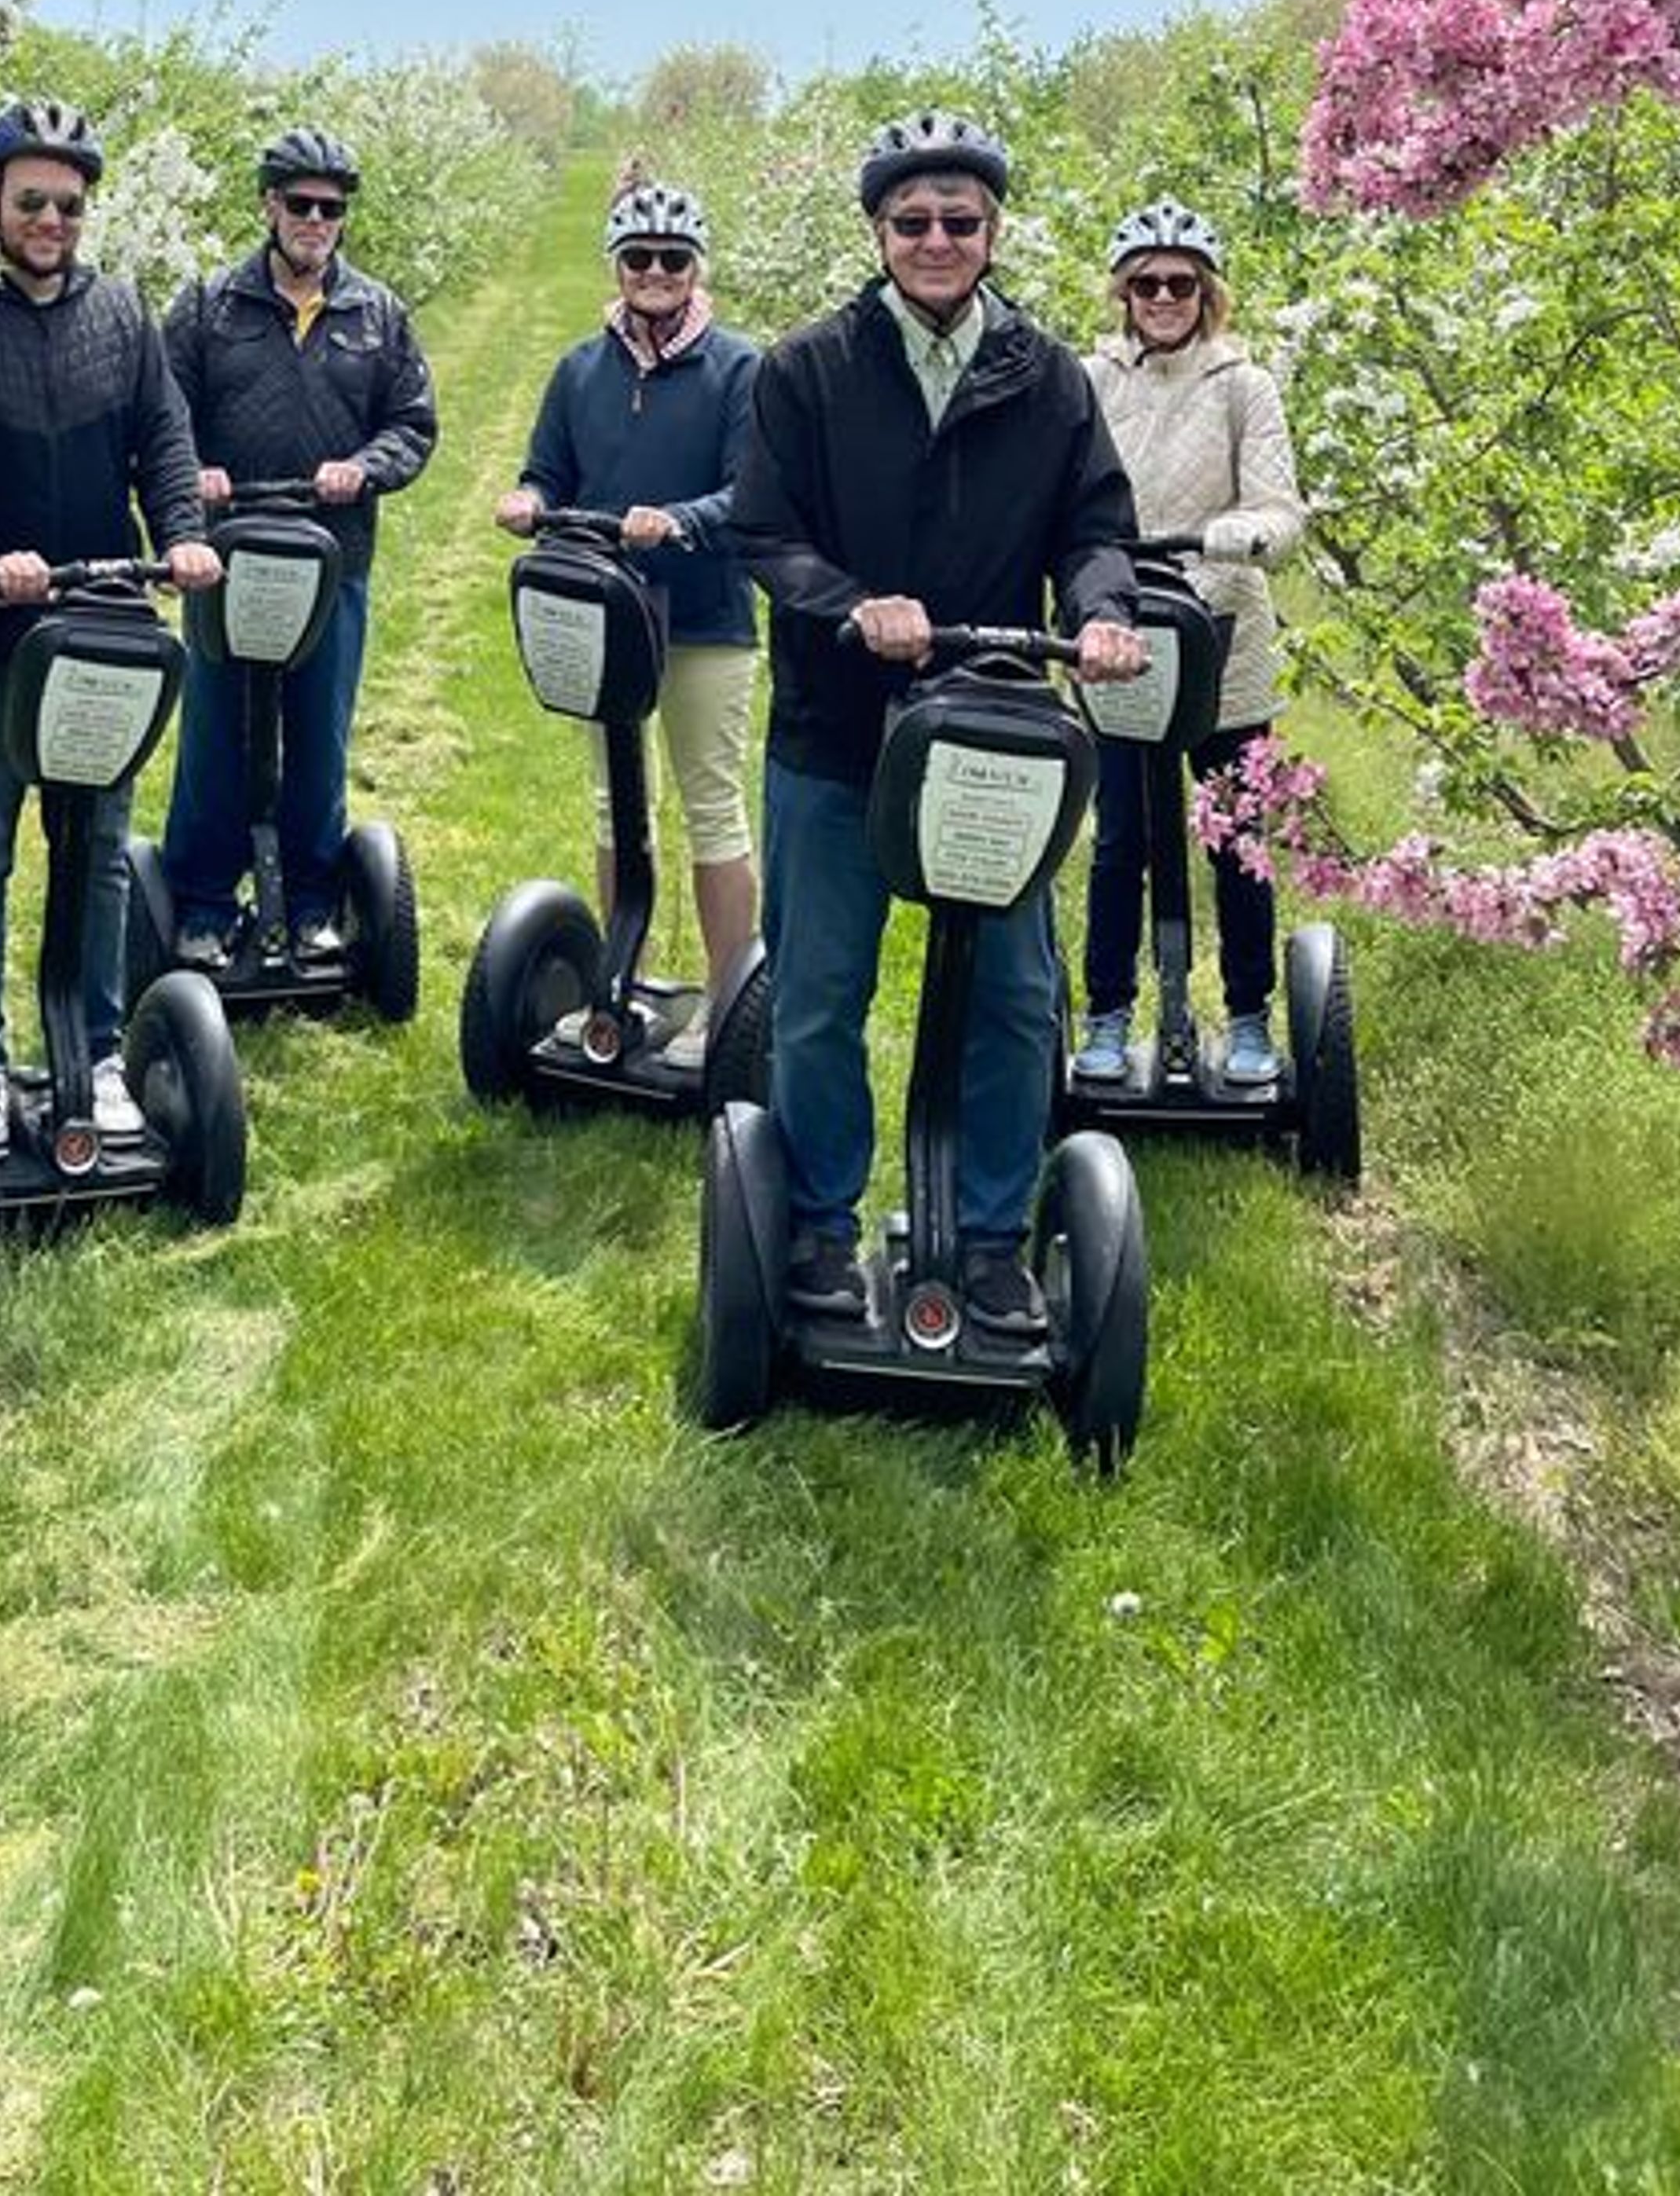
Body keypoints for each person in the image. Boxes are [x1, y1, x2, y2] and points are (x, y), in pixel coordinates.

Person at [732, 112, 1143, 1335]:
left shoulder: (1050, 375)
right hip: (838, 735)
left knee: (1015, 996)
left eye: (960, 221)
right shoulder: (808, 370)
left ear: (993, 232)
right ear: (877, 232)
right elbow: (765, 534)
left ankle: (987, 1238)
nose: (936, 240)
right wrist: (855, 608)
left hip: (994, 737)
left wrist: (1104, 611)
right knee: (818, 992)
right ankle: (813, 1227)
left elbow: (1096, 525)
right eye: (911, 221)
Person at [0, 98, 221, 1155]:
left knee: (101, 849)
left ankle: (97, 1051)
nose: (51, 221)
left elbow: (163, 437)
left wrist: (183, 532)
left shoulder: (120, 311)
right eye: (31, 201)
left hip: (103, 625)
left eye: (69, 204)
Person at [160, 126, 438, 963]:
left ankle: (314, 901)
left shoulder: (375, 312)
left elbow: (413, 423)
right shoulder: (209, 304)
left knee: (319, 734)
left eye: (332, 207)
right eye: (301, 203)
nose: (317, 219)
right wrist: (195, 471)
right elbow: (164, 417)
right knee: (217, 732)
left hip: (333, 559)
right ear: (268, 206)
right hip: (228, 557)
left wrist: (364, 466)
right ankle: (205, 902)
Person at [496, 180, 761, 1058]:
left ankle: (729, 1008)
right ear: (618, 264)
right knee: (618, 804)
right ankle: (621, 976)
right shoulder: (581, 368)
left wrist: (681, 518)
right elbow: (548, 468)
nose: (656, 273)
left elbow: (749, 490)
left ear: (696, 268)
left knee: (711, 802)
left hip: (704, 616)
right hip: (607, 614)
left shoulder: (737, 367)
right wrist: (529, 499)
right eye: (640, 258)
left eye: (673, 259)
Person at [1075, 197, 1309, 1084]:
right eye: (1146, 282)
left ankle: (1249, 1019)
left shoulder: (1244, 383)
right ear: (1125, 292)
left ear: (1206, 290)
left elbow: (1281, 507)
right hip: (1123, 634)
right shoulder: (1093, 380)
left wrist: (1240, 534)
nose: (1163, 295)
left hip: (1225, 640)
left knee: (1236, 834)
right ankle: (1108, 1016)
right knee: (1121, 838)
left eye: (1180, 281)